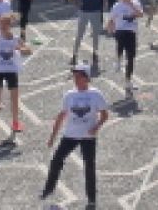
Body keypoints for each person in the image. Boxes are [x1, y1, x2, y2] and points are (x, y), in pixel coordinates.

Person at [40, 63, 108, 209]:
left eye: (78, 76)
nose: (75, 79)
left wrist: (97, 126)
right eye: (74, 76)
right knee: (56, 161)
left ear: (86, 78)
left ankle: (91, 199)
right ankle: (48, 190)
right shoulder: (69, 95)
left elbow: (104, 115)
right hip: (70, 135)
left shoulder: (96, 94)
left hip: (88, 138)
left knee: (89, 166)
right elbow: (61, 116)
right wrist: (53, 136)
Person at [0, 13, 31, 140]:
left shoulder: (15, 39)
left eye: (5, 24)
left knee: (14, 98)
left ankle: (15, 123)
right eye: (1, 24)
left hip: (11, 70)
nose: (3, 26)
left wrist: (20, 49)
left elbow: (28, 50)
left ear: (10, 25)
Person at [106, 0, 142, 96]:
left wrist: (131, 6)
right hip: (121, 31)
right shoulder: (117, 6)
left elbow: (140, 14)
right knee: (120, 38)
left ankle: (128, 81)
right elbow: (111, 19)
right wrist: (109, 28)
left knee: (131, 58)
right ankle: (118, 59)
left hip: (132, 32)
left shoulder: (135, 3)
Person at [68, 0, 105, 71]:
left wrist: (104, 4)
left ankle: (95, 53)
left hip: (95, 11)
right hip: (84, 11)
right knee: (80, 34)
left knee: (96, 34)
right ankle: (74, 54)